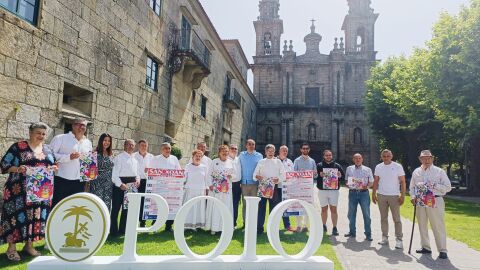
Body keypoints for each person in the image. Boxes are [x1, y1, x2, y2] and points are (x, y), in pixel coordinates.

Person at [0, 122, 57, 261]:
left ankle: (29, 246)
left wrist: (54, 168)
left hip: (40, 192)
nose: (41, 136)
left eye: (43, 134)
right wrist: (18, 169)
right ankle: (11, 248)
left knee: (34, 218)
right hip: (18, 191)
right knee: (15, 218)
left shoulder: (47, 149)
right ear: (30, 133)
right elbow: (4, 165)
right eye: (38, 133)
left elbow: (53, 163)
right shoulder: (18, 147)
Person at [409, 150, 452, 259]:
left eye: (429, 158)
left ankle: (442, 250)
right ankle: (426, 247)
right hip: (420, 201)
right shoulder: (416, 172)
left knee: (438, 225)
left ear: (432, 159)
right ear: (420, 159)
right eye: (424, 158)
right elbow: (412, 187)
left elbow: (448, 187)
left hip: (435, 200)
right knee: (422, 225)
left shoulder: (439, 171)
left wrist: (434, 185)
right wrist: (413, 196)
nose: (426, 160)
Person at [50, 118, 92, 208]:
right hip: (62, 179)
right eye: (78, 124)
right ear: (73, 125)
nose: (81, 127)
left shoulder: (88, 143)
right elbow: (50, 156)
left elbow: (88, 160)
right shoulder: (60, 138)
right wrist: (68, 157)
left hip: (79, 181)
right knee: (58, 206)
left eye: (83, 125)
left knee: (73, 207)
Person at [372, 149, 406, 249]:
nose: (386, 158)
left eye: (388, 156)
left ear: (391, 156)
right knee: (383, 218)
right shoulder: (379, 166)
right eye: (384, 156)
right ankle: (384, 238)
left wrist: (403, 195)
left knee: (397, 219)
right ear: (381, 157)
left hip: (394, 196)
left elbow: (403, 182)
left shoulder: (397, 166)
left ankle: (399, 240)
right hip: (381, 195)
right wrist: (373, 194)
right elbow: (376, 181)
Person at [147, 142, 181, 231]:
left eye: (169, 148)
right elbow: (151, 172)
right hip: (159, 187)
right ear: (162, 149)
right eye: (166, 148)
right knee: (158, 206)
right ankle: (154, 225)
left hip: (171, 188)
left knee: (170, 207)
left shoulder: (174, 159)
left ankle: (168, 226)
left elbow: (179, 171)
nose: (168, 150)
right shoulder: (156, 159)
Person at [253, 144, 286, 234]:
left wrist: (278, 179)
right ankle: (259, 228)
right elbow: (254, 175)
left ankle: (272, 229)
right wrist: (257, 176)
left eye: (272, 151)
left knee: (273, 209)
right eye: (269, 151)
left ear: (274, 152)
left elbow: (284, 175)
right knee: (261, 209)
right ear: (266, 152)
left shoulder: (278, 162)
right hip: (262, 188)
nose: (271, 153)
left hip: (274, 188)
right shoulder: (261, 162)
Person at [205, 145, 237, 234]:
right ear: (219, 152)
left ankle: (224, 228)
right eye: (223, 151)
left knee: (225, 207)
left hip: (226, 190)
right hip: (215, 189)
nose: (225, 153)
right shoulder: (214, 162)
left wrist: (231, 176)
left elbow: (235, 176)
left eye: (226, 151)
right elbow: (208, 174)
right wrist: (210, 185)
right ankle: (214, 228)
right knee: (215, 207)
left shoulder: (231, 162)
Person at [111, 139, 140, 236]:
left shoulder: (135, 160)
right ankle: (113, 231)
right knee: (116, 208)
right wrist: (120, 184)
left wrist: (138, 180)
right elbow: (114, 174)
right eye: (129, 145)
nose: (131, 147)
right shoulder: (119, 158)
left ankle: (123, 230)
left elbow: (137, 173)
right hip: (120, 185)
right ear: (124, 145)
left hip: (131, 185)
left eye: (133, 145)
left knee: (126, 209)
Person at [344, 153, 374, 241]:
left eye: (359, 158)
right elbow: (346, 180)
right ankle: (352, 232)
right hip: (352, 193)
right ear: (353, 159)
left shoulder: (367, 169)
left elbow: (371, 182)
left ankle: (368, 234)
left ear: (362, 159)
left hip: (363, 193)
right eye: (356, 158)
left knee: (366, 214)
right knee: (351, 214)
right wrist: (348, 184)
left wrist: (367, 186)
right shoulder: (349, 168)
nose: (358, 160)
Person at [317, 149, 345, 236]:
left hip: (334, 191)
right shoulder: (319, 165)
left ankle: (334, 227)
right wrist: (319, 175)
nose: (328, 156)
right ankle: (323, 225)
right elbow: (315, 176)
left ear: (332, 156)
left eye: (330, 155)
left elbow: (343, 177)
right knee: (323, 209)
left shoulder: (337, 165)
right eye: (326, 155)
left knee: (334, 209)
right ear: (324, 156)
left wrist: (340, 176)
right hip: (322, 191)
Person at [293, 143, 317, 232]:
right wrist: (300, 173)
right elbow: (293, 173)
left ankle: (305, 226)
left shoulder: (312, 161)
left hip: (309, 188)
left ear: (309, 150)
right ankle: (298, 225)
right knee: (298, 206)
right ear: (301, 150)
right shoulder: (297, 160)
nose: (305, 150)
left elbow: (315, 175)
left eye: (307, 148)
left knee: (308, 206)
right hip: (299, 187)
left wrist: (314, 173)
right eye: (303, 148)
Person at [238, 139, 263, 227]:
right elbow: (237, 167)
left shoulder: (259, 156)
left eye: (253, 144)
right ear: (246, 145)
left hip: (255, 184)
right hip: (244, 184)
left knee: (254, 204)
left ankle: (253, 223)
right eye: (249, 144)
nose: (251, 146)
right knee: (245, 204)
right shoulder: (241, 155)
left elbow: (262, 168)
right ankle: (245, 223)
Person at [183, 149, 209, 230]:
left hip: (201, 190)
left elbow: (206, 180)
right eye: (196, 156)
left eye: (199, 156)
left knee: (199, 208)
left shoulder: (204, 167)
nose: (198, 158)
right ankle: (187, 225)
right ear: (192, 157)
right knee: (189, 208)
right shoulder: (188, 166)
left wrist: (207, 188)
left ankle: (198, 225)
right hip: (190, 191)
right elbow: (184, 179)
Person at [90, 133, 114, 212]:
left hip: (108, 185)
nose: (107, 142)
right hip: (97, 184)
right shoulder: (94, 153)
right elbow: (89, 171)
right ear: (101, 141)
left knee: (106, 207)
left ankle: (105, 224)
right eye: (105, 140)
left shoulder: (111, 155)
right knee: (96, 206)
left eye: (109, 141)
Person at [134, 140, 154, 227]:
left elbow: (154, 169)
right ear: (138, 146)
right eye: (142, 145)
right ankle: (134, 220)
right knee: (136, 202)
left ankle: (143, 222)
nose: (144, 147)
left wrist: (149, 170)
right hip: (136, 181)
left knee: (146, 203)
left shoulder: (151, 157)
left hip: (148, 181)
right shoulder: (134, 156)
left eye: (145, 146)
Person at [276, 145, 294, 231]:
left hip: (286, 188)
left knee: (286, 206)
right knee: (275, 207)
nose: (285, 152)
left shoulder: (290, 161)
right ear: (279, 151)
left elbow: (293, 174)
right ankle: (274, 225)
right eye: (283, 150)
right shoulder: (274, 160)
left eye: (286, 151)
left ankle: (287, 226)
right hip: (276, 188)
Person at [228, 144, 242, 228]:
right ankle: (226, 222)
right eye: (232, 148)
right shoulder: (226, 159)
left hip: (237, 185)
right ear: (229, 150)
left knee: (235, 204)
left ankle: (233, 223)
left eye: (235, 149)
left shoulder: (238, 159)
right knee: (227, 203)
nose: (234, 150)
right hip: (228, 184)